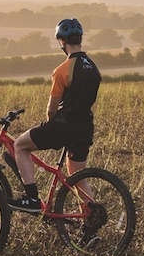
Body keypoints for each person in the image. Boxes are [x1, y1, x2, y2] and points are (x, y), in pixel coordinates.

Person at [9, 17, 101, 214]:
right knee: (77, 177)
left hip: (65, 125)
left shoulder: (62, 71)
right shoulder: (93, 67)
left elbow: (51, 109)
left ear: (62, 42)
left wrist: (51, 129)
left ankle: (32, 199)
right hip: (85, 126)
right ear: (80, 39)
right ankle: (90, 219)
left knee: (19, 145)